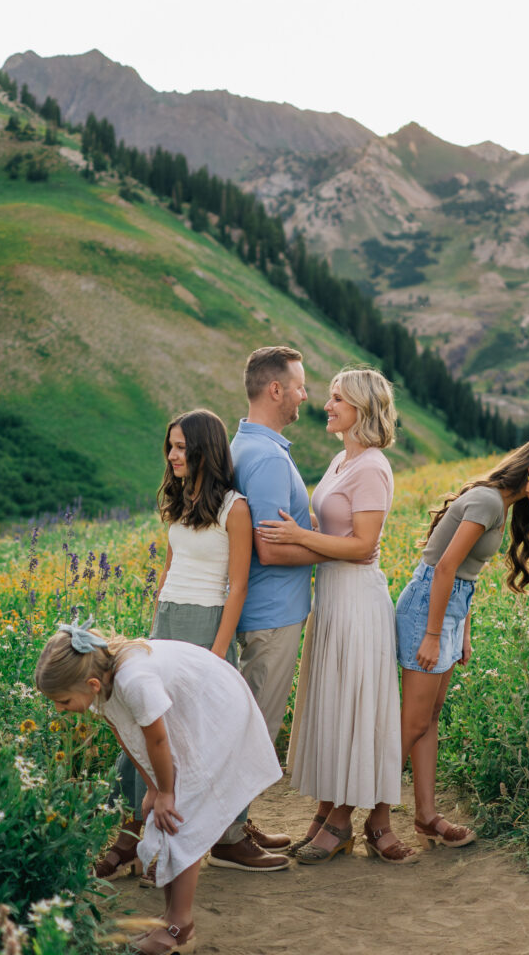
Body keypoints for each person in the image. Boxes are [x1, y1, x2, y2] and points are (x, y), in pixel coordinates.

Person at [35, 620, 281, 955]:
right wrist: (152, 786)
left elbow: (158, 738)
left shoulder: (135, 680)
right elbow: (128, 737)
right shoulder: (101, 684)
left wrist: (167, 793)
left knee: (181, 817)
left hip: (219, 709)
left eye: (62, 701)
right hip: (190, 710)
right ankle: (170, 921)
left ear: (90, 683)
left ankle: (180, 929)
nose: (59, 710)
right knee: (169, 813)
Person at [258, 368, 417, 864]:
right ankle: (328, 813)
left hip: (357, 601)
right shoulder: (339, 459)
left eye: (337, 399)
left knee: (354, 705)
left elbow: (364, 545)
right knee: (334, 704)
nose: (326, 405)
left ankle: (342, 820)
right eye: (328, 397)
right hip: (331, 597)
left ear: (362, 410)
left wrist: (300, 538)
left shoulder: (371, 466)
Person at [96, 409, 254, 882]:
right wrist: (152, 630)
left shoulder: (235, 507)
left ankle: (171, 844)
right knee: (143, 727)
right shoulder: (180, 500)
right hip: (166, 621)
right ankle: (130, 835)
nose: (172, 455)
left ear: (206, 447)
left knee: (185, 737)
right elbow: (170, 567)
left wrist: (218, 651)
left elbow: (238, 586)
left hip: (206, 625)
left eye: (182, 447)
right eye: (171, 446)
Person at [396, 435, 529, 849]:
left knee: (429, 720)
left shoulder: (502, 503)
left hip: (447, 611)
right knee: (412, 725)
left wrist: (463, 633)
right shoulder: (489, 501)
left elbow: (466, 576)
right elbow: (443, 569)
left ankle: (426, 816)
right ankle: (371, 818)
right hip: (428, 608)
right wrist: (431, 633)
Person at [207, 345, 325, 872]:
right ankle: (229, 839)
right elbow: (271, 547)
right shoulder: (269, 457)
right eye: (299, 384)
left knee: (247, 721)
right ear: (275, 389)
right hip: (273, 612)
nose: (306, 394)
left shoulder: (246, 446)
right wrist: (330, 547)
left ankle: (236, 824)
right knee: (255, 727)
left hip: (261, 608)